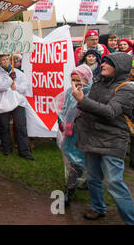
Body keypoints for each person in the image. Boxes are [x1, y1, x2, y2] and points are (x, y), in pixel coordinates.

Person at [72, 52, 134, 224]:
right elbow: (91, 106)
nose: (103, 65)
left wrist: (82, 100)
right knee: (93, 177)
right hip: (92, 138)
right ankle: (98, 208)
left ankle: (131, 219)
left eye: (108, 63)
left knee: (114, 182)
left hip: (112, 141)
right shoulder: (99, 82)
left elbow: (110, 112)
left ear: (119, 68)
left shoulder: (127, 89)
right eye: (104, 62)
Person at [54, 64, 93, 207]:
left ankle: (89, 182)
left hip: (87, 136)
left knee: (89, 162)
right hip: (72, 135)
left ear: (87, 78)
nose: (76, 83)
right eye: (73, 80)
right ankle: (69, 192)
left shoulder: (93, 93)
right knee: (74, 165)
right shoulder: (70, 92)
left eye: (79, 80)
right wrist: (61, 121)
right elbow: (64, 109)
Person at [0, 54, 34, 160]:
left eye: (7, 59)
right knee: (4, 127)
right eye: (3, 59)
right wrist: (10, 79)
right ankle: (7, 148)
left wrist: (17, 87)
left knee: (21, 126)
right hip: (4, 104)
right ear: (0, 62)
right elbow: (1, 87)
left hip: (18, 103)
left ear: (10, 60)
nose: (6, 61)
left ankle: (24, 151)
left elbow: (25, 87)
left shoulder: (19, 73)